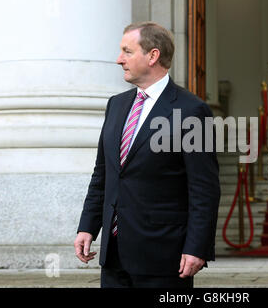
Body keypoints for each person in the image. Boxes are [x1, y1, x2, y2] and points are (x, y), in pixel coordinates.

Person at [73, 22, 220, 288]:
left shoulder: (192, 111)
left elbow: (204, 188)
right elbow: (103, 174)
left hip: (163, 257)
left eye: (127, 52)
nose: (119, 60)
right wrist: (88, 226)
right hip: (114, 256)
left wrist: (197, 247)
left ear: (152, 56)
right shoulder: (116, 105)